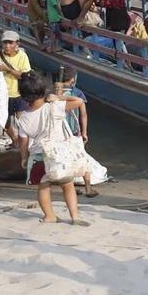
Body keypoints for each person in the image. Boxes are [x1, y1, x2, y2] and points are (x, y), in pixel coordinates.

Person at [15, 71, 89, 226]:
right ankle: (74, 217)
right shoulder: (54, 108)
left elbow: (23, 141)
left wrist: (23, 157)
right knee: (68, 186)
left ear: (22, 95)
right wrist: (59, 97)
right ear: (43, 91)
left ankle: (49, 216)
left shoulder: (23, 118)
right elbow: (79, 101)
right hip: (59, 154)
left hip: (38, 155)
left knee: (43, 187)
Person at [55, 67, 98, 198]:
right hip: (74, 132)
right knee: (82, 159)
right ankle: (88, 188)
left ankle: (71, 187)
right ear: (73, 79)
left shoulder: (53, 94)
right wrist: (84, 132)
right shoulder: (78, 94)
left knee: (66, 161)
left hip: (59, 133)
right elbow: (83, 115)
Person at [0, 30, 32, 143]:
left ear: (17, 44)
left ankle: (24, 141)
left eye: (10, 43)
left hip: (19, 93)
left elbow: (24, 75)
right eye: (5, 43)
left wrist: (8, 70)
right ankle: (15, 139)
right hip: (3, 95)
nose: (7, 46)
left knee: (22, 119)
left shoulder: (22, 56)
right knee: (4, 121)